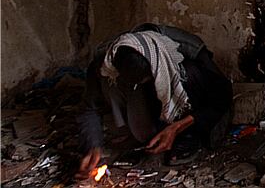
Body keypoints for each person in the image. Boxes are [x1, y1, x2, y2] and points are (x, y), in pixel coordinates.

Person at [75, 23, 232, 179]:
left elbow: (222, 96)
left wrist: (177, 127)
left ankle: (188, 136)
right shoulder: (106, 59)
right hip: (146, 100)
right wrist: (93, 146)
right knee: (108, 82)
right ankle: (148, 133)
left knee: (189, 74)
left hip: (191, 105)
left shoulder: (188, 48)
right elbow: (89, 108)